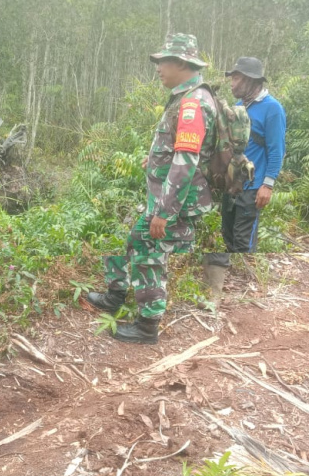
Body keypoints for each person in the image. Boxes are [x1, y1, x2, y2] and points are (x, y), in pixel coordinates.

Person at [86, 33, 219, 345]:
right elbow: (180, 149)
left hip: (173, 203)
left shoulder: (192, 104)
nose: (158, 67)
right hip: (166, 198)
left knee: (150, 256)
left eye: (163, 61)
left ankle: (147, 326)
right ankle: (115, 296)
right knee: (133, 241)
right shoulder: (184, 97)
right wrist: (157, 158)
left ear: (182, 63)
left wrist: (164, 211)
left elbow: (186, 160)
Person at [200, 57, 286, 309]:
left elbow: (276, 149)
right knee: (227, 235)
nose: (233, 84)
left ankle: (242, 293)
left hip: (253, 186)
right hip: (232, 184)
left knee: (243, 241)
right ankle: (227, 283)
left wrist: (267, 184)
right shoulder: (239, 106)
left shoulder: (272, 109)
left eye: (236, 79)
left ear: (250, 81)